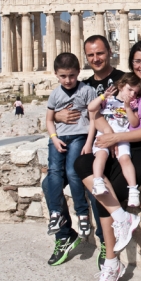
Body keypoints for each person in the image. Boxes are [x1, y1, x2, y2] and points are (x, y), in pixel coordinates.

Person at [52, 36, 141, 270]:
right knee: (81, 166)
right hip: (122, 143)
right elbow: (89, 113)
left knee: (108, 191)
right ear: (131, 64)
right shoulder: (127, 85)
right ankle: (118, 222)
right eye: (137, 61)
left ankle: (110, 260)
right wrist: (56, 117)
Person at [42, 52, 103, 267]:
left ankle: (92, 226)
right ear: (57, 75)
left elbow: (93, 116)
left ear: (78, 72)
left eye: (71, 76)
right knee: (50, 179)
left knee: (77, 174)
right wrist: (54, 136)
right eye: (63, 76)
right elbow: (49, 119)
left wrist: (88, 142)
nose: (67, 80)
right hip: (60, 139)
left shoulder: (88, 90)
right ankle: (63, 229)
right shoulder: (56, 94)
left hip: (83, 139)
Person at [87, 72, 141, 208]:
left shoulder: (133, 104)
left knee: (125, 159)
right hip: (103, 136)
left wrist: (128, 108)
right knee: (101, 155)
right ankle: (98, 181)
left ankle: (133, 190)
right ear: (120, 86)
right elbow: (91, 108)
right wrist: (103, 96)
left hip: (122, 137)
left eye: (135, 93)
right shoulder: (108, 100)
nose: (132, 94)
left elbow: (135, 123)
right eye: (130, 89)